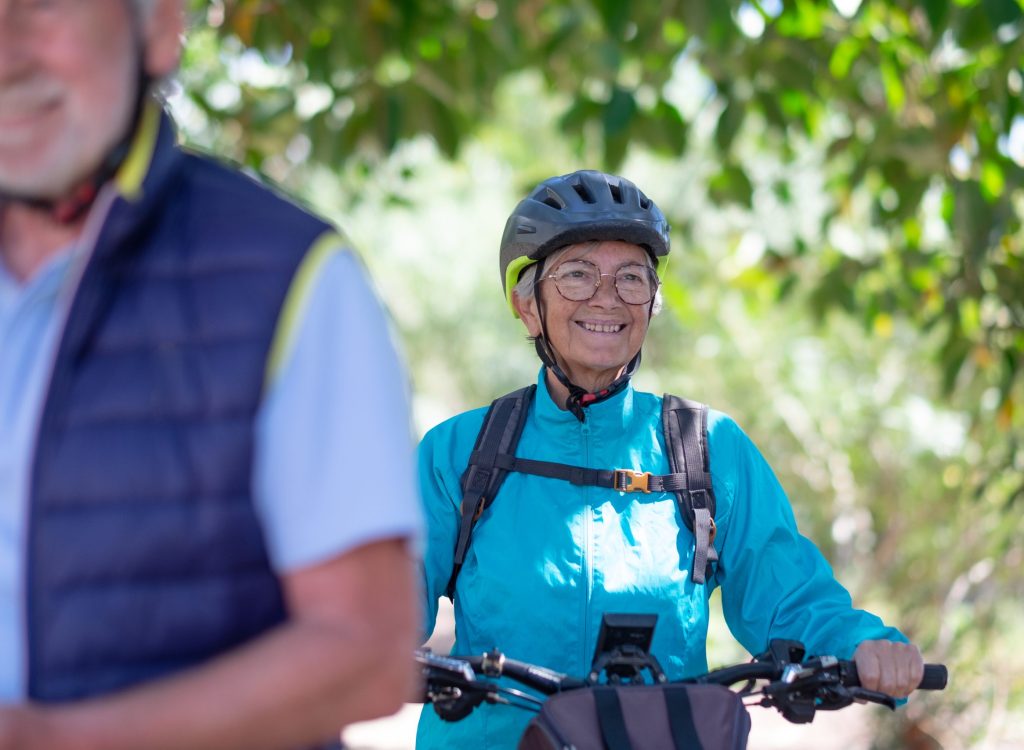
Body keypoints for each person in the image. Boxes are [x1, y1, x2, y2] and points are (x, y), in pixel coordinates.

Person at [0, 1, 421, 748]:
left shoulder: (289, 275)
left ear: (157, 26)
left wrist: (59, 742)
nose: (7, 52)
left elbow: (365, 653)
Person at [417, 169, 925, 748]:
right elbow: (383, 604)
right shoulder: (460, 453)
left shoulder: (711, 450)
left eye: (631, 277)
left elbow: (790, 599)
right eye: (577, 274)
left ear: (653, 303)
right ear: (527, 305)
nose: (606, 297)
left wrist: (862, 647)